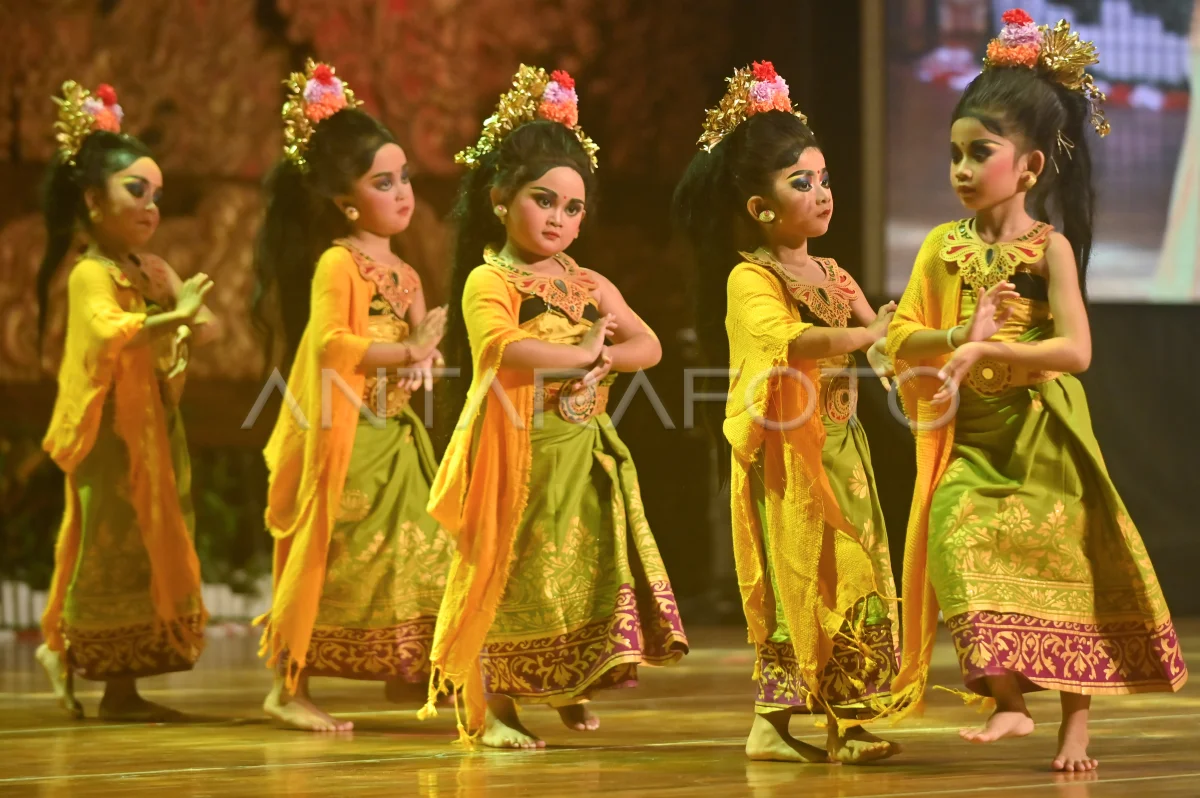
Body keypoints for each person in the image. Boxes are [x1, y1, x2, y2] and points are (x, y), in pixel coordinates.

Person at [885, 9, 1188, 772]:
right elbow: (901, 339)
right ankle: (1010, 703)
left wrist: (994, 348)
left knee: (1063, 568)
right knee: (955, 543)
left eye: (978, 153)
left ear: (1029, 168)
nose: (960, 169)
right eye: (953, 154)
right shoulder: (940, 248)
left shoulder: (1048, 250)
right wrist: (956, 336)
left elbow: (1076, 351)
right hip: (972, 439)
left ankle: (1074, 726)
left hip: (1041, 433)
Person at [422, 65, 688, 749]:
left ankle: (566, 682)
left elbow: (649, 346)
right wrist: (584, 353)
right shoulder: (490, 279)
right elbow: (502, 348)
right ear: (499, 199)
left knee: (578, 573)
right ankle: (494, 708)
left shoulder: (588, 281)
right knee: (514, 574)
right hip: (517, 455)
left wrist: (605, 357)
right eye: (544, 201)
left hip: (581, 454)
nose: (559, 219)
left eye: (573, 209)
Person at [252, 61, 451, 732]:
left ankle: (404, 665)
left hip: (393, 436)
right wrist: (409, 352)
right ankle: (288, 687)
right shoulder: (338, 263)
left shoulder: (406, 271)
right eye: (382, 182)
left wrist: (425, 362)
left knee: (422, 547)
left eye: (405, 178)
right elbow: (334, 345)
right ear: (346, 202)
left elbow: (421, 343)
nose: (402, 194)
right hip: (341, 433)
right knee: (325, 554)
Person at [37, 81, 217, 721]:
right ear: (92, 200)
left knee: (147, 545)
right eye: (136, 190)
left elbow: (207, 326)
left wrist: (180, 305)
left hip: (150, 427)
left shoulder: (147, 267)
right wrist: (175, 317)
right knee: (105, 547)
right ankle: (66, 649)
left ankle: (122, 690)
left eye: (157, 196)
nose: (150, 206)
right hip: (110, 437)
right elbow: (108, 333)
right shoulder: (90, 273)